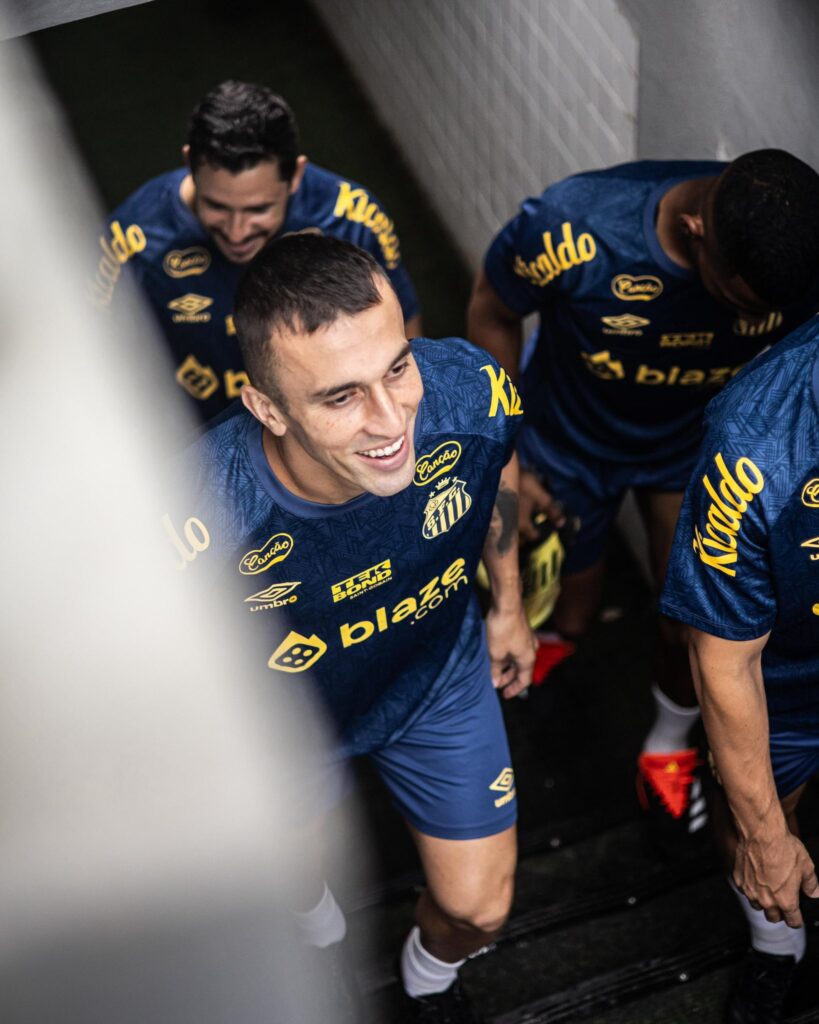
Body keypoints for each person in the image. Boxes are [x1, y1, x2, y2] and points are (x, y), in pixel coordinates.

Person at [165, 233, 535, 1022]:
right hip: (281, 729)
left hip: (431, 677)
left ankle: (426, 983)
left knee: (479, 910)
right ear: (267, 408)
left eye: (396, 368)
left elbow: (496, 459)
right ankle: (322, 939)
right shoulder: (196, 514)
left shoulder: (468, 389)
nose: (391, 419)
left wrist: (506, 602)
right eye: (340, 397)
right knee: (294, 892)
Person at [467, 149, 819, 850]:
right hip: (566, 445)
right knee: (569, 604)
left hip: (686, 458)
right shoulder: (571, 227)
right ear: (694, 230)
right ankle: (550, 643)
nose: (756, 319)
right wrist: (510, 454)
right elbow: (491, 311)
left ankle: (666, 744)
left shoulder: (792, 264)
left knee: (689, 629)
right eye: (742, 304)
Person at [95, 80, 422, 423]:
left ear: (295, 175)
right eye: (216, 206)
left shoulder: (353, 220)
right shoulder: (129, 240)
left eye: (258, 209)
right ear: (190, 164)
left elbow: (404, 330)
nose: (237, 232)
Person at [660, 317, 819, 1022]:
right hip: (788, 684)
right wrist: (763, 837)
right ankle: (776, 948)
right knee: (760, 820)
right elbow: (725, 662)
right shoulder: (754, 444)